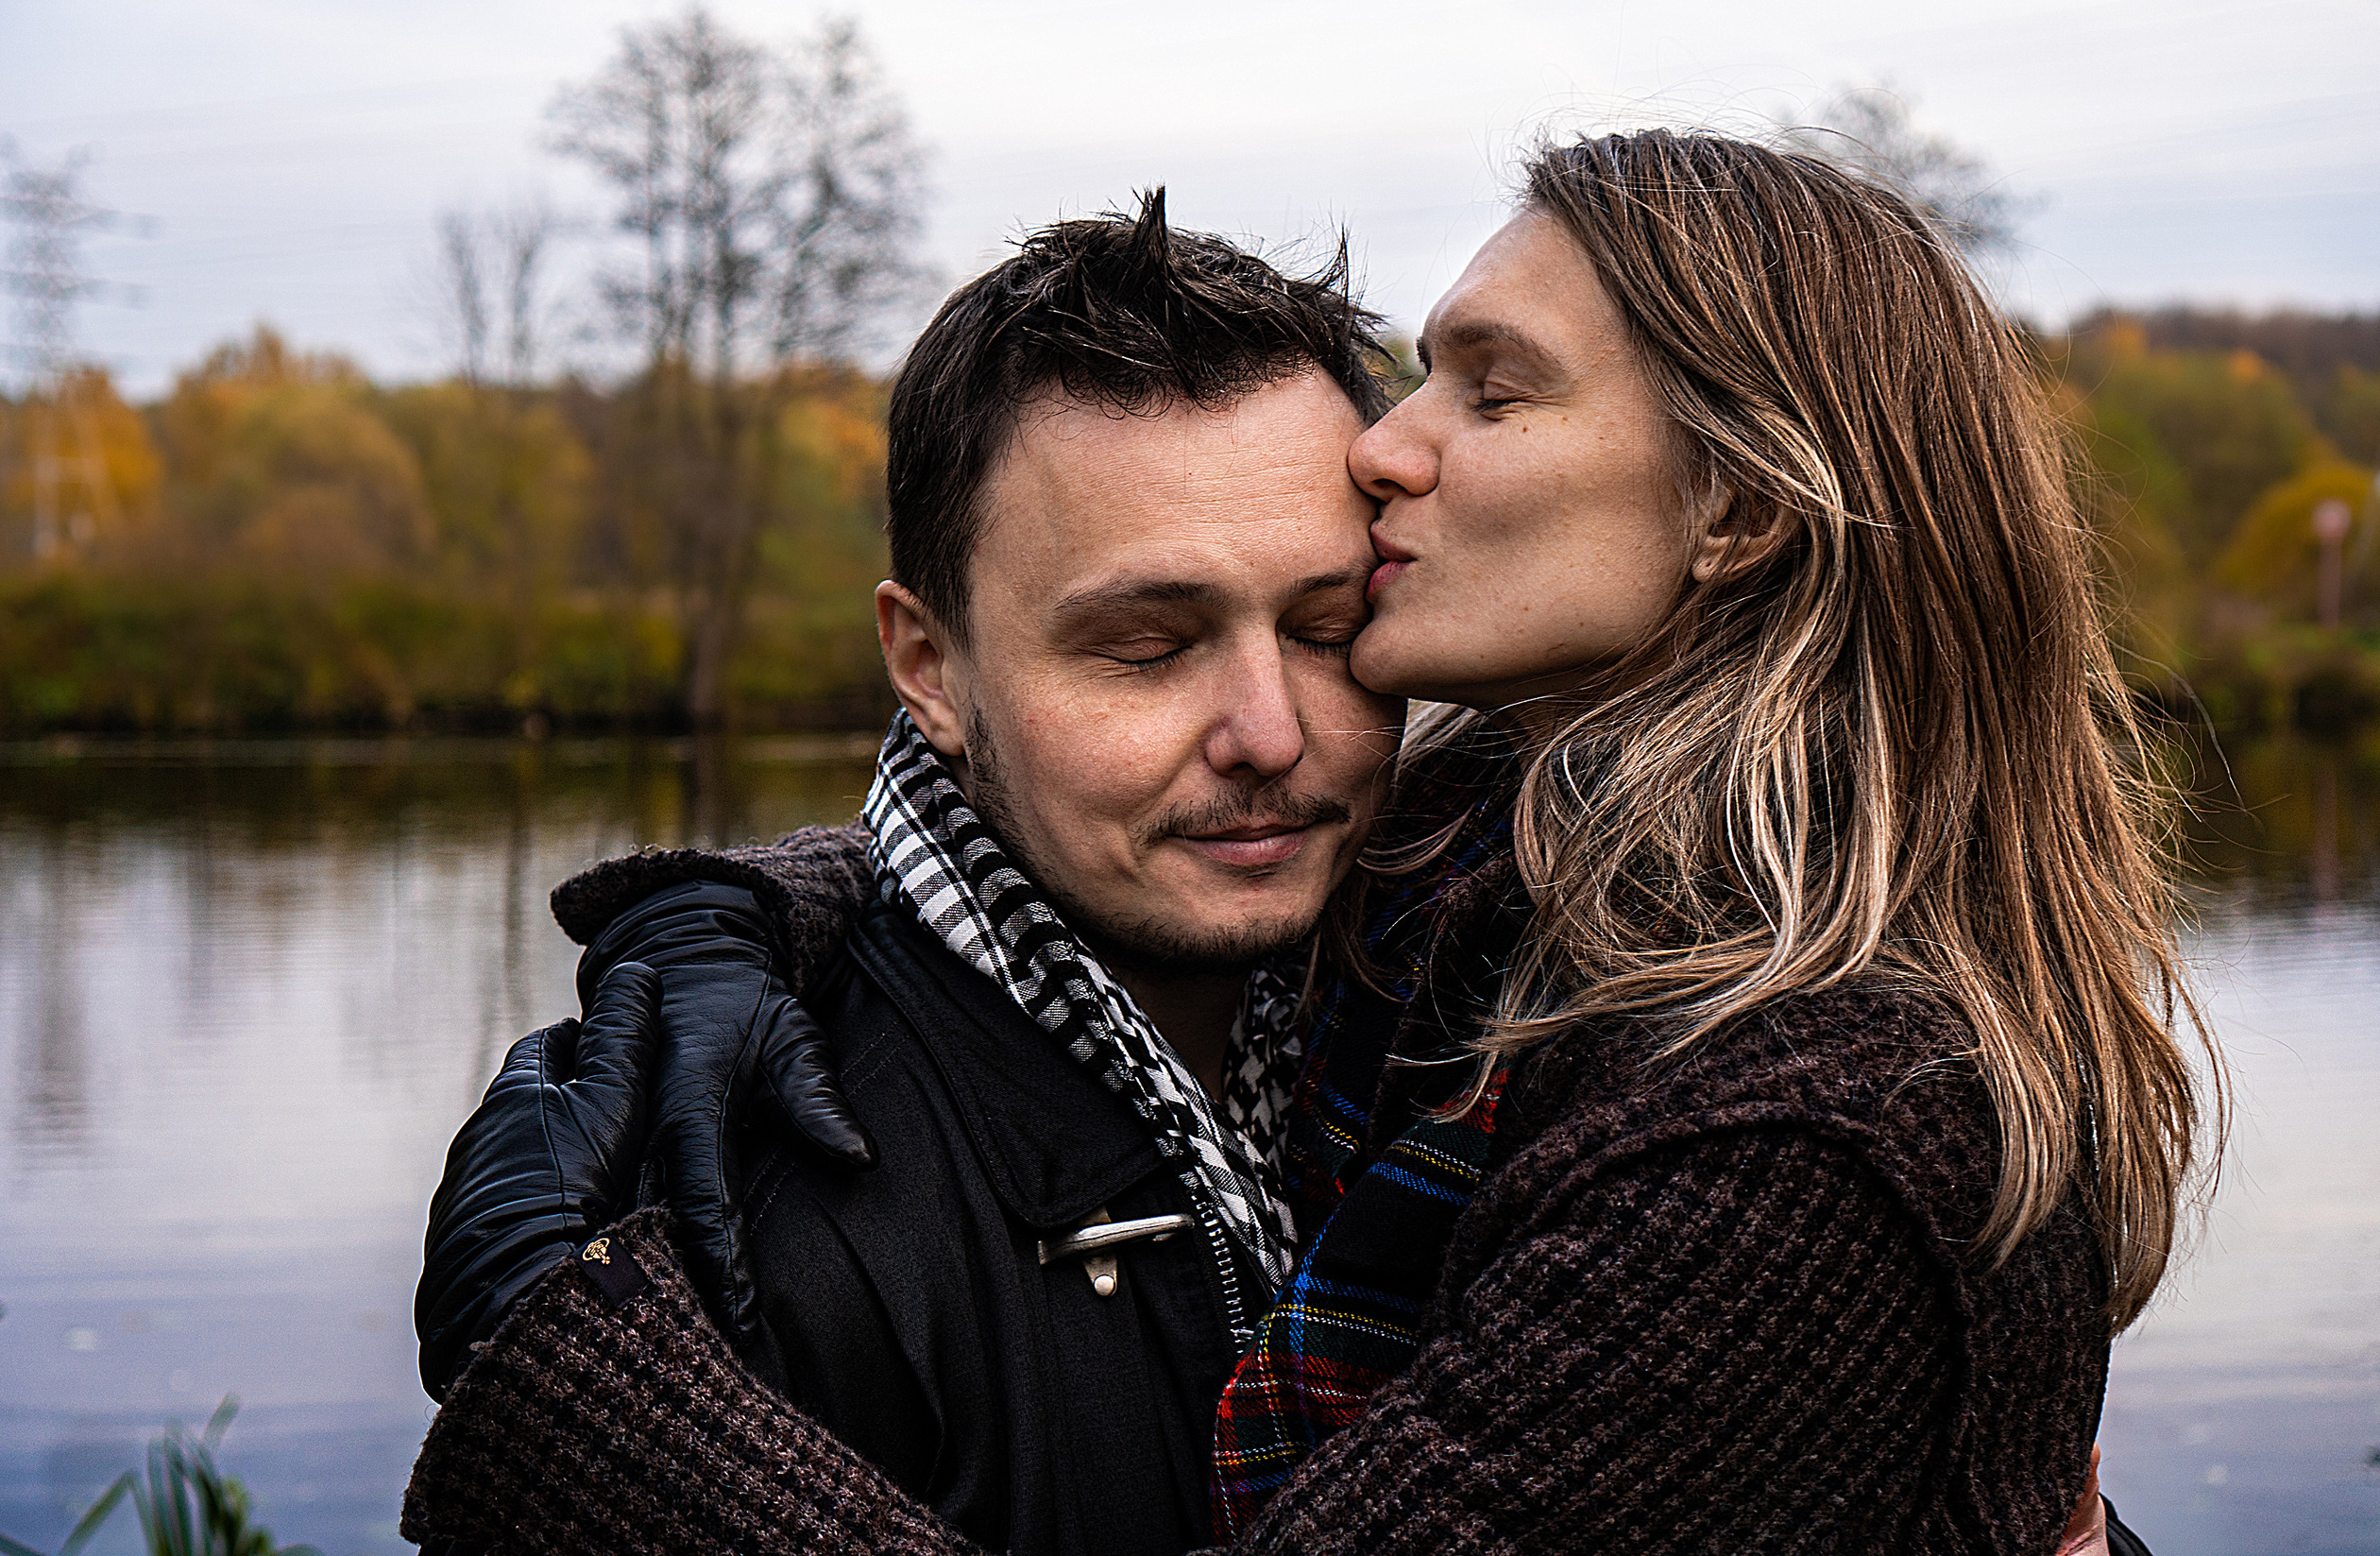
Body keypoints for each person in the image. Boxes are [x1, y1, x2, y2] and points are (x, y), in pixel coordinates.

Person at [409, 129, 2196, 1552]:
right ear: (928, 669)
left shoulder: (1778, 1122)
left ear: (1734, 505)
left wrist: (555, 1380)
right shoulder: (1485, 925)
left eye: (1331, 629)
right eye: (1143, 647)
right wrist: (723, 914)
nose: (1391, 450)